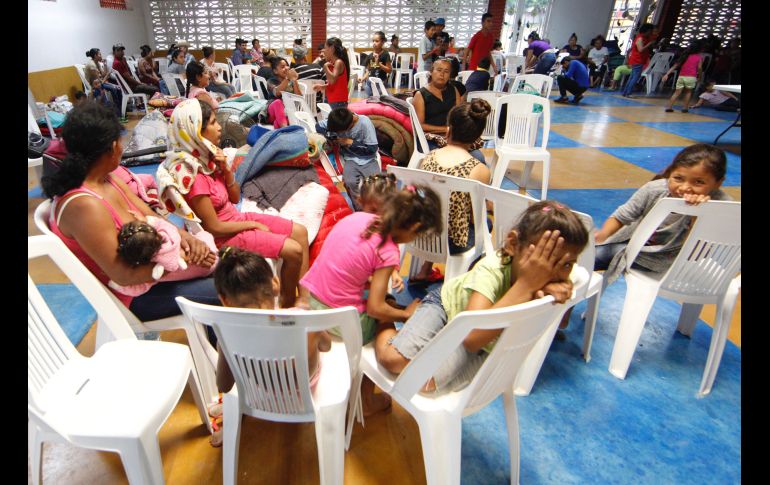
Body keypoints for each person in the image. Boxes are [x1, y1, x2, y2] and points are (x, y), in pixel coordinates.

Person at [374, 200, 588, 393]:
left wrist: (563, 291)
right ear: (513, 244)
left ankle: (425, 335)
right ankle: (384, 315)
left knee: (424, 383)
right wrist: (526, 286)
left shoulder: (561, 279)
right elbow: (472, 336)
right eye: (540, 260)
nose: (548, 272)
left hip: (478, 339)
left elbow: (562, 322)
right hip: (446, 308)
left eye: (566, 264)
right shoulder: (492, 268)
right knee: (392, 359)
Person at [41, 100, 219, 322]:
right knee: (232, 286)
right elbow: (124, 275)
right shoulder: (85, 206)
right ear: (112, 146)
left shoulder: (108, 178)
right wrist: (180, 259)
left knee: (225, 269)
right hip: (136, 294)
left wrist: (186, 238)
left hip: (155, 270)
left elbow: (151, 215)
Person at [300, 184, 443, 414]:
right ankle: (365, 399)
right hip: (337, 317)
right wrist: (404, 314)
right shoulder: (388, 250)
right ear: (415, 227)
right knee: (384, 319)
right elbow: (376, 309)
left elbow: (347, 266)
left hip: (311, 299)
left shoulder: (358, 218)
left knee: (387, 301)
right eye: (418, 235)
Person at [157, 99, 310, 308]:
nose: (219, 127)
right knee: (294, 251)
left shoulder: (207, 159)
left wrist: (226, 171)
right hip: (223, 237)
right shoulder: (193, 175)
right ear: (196, 132)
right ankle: (288, 303)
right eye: (213, 123)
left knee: (300, 232)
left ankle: (303, 298)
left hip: (235, 219)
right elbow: (213, 227)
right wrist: (253, 225)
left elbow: (235, 199)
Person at [210, 246, 331, 447]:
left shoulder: (227, 334)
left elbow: (224, 385)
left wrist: (223, 345)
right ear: (275, 283)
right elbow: (326, 347)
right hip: (304, 394)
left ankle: (235, 418)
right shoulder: (303, 319)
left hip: (258, 393)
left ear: (224, 300)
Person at [594, 143, 732, 286]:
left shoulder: (722, 206)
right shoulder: (655, 190)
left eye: (699, 182)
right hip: (633, 245)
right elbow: (623, 215)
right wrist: (603, 234)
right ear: (670, 173)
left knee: (593, 257)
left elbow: (696, 253)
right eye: (678, 178)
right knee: (584, 255)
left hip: (670, 261)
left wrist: (698, 213)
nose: (684, 188)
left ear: (718, 183)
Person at [410, 99, 492, 284]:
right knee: (486, 223)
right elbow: (474, 219)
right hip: (454, 243)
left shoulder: (428, 157)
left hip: (422, 234)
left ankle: (425, 269)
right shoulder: (479, 169)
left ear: (449, 130)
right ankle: (461, 278)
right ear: (477, 137)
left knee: (440, 211)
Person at [109, 214, 217, 297]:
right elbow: (163, 224)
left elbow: (138, 288)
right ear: (157, 235)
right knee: (205, 236)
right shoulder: (170, 236)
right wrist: (146, 220)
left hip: (203, 262)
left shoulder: (156, 267)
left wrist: (116, 285)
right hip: (207, 260)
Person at [413, 58, 485, 163]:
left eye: (446, 71)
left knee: (479, 157)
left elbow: (459, 115)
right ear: (431, 72)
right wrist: (446, 129)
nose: (442, 74)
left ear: (450, 75)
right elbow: (420, 126)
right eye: (439, 70)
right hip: (429, 139)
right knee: (455, 159)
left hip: (452, 137)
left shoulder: (453, 90)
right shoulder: (421, 94)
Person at [315, 107, 380, 209]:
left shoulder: (364, 123)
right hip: (350, 159)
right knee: (350, 182)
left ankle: (377, 209)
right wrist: (332, 138)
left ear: (350, 126)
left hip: (368, 159)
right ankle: (360, 209)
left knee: (375, 184)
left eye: (340, 132)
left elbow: (372, 149)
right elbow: (318, 126)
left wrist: (351, 142)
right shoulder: (338, 120)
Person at [356, 173, 404, 293]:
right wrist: (369, 278)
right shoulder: (357, 228)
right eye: (373, 210)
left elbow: (390, 253)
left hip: (376, 279)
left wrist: (394, 273)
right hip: (356, 282)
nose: (379, 217)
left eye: (385, 211)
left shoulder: (387, 228)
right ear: (360, 202)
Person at [661, 41, 703, 113]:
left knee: (676, 93)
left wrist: (667, 74)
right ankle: (685, 108)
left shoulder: (684, 56)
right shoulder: (699, 57)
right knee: (688, 92)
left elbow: (675, 66)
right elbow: (699, 68)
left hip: (681, 76)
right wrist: (700, 76)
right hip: (691, 77)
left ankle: (669, 107)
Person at [84, 47, 124, 119]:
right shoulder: (91, 65)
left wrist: (105, 65)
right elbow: (100, 82)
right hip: (95, 86)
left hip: (100, 83)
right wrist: (108, 75)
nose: (101, 56)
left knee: (118, 88)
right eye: (99, 54)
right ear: (95, 55)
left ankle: (120, 111)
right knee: (114, 89)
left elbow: (103, 74)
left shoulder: (97, 63)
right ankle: (117, 114)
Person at [621, 23, 658, 97]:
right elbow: (640, 50)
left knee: (632, 77)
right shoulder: (640, 38)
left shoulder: (645, 37)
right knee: (635, 77)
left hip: (639, 60)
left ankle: (625, 92)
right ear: (647, 30)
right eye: (650, 31)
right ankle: (628, 93)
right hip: (637, 60)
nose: (651, 33)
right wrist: (649, 44)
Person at [313, 37, 350, 110]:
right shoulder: (331, 63)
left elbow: (332, 80)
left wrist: (325, 68)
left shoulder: (338, 62)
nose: (323, 51)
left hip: (338, 102)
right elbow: (334, 84)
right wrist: (322, 87)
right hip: (332, 100)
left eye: (325, 48)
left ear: (332, 48)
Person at [266, 57, 302, 128]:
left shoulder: (291, 81)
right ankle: (285, 128)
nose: (286, 68)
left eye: (287, 66)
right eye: (282, 67)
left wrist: (294, 80)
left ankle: (281, 127)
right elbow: (277, 92)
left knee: (278, 123)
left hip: (287, 112)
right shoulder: (271, 81)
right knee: (278, 102)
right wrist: (288, 78)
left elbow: (299, 97)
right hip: (272, 112)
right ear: (275, 71)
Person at [362, 31, 392, 97]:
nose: (374, 43)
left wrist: (379, 64)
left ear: (382, 42)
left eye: (377, 41)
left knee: (380, 99)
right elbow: (369, 71)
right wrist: (363, 78)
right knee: (371, 99)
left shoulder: (385, 54)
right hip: (369, 84)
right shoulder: (370, 56)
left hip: (380, 83)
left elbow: (389, 70)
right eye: (373, 41)